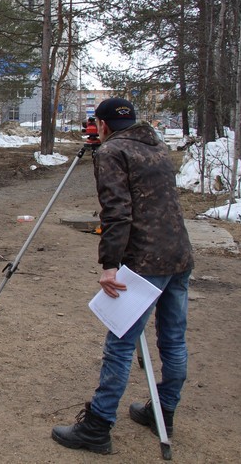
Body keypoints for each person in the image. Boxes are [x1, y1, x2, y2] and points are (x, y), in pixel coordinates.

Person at [51, 97, 194, 454]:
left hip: (146, 260)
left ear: (102, 124)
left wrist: (110, 265)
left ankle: (98, 426)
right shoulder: (155, 146)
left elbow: (116, 211)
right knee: (173, 340)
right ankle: (163, 410)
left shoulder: (112, 153)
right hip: (179, 254)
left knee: (120, 342)